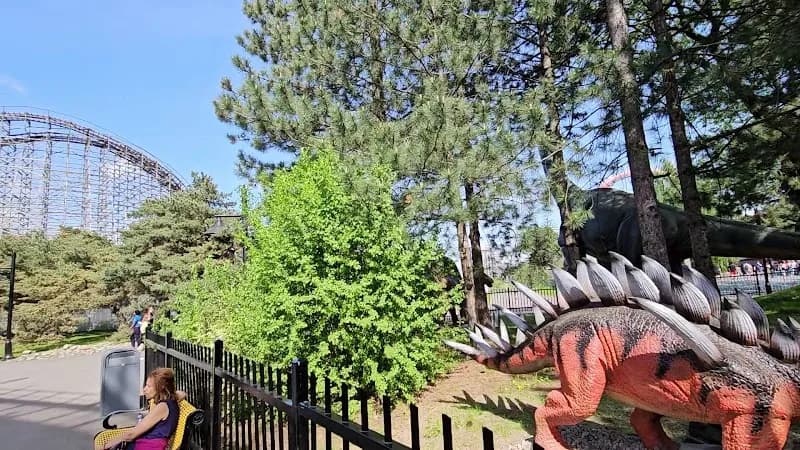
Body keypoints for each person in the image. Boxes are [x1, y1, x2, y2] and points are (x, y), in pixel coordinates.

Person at [101, 368, 186, 450]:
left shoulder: (162, 407)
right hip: (148, 443)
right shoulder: (171, 401)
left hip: (148, 446)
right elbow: (182, 393)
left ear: (161, 387)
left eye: (149, 386)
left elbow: (131, 435)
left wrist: (106, 445)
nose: (144, 389)